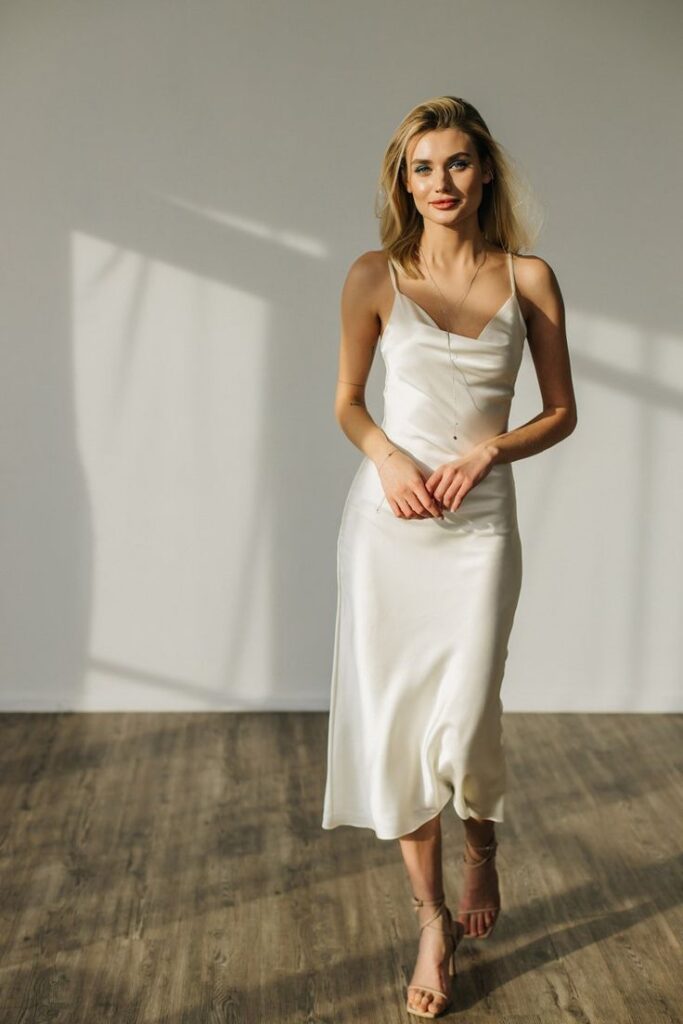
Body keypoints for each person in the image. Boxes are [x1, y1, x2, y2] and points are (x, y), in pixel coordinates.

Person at [321, 95, 577, 1019]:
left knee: (466, 715)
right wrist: (389, 460)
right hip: (387, 528)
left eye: (457, 164)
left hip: (478, 526)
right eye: (422, 167)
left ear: (484, 173)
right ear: (403, 179)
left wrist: (487, 450)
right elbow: (349, 401)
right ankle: (430, 920)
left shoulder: (530, 277)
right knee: (399, 721)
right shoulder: (372, 276)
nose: (440, 183)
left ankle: (483, 849)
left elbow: (559, 411)